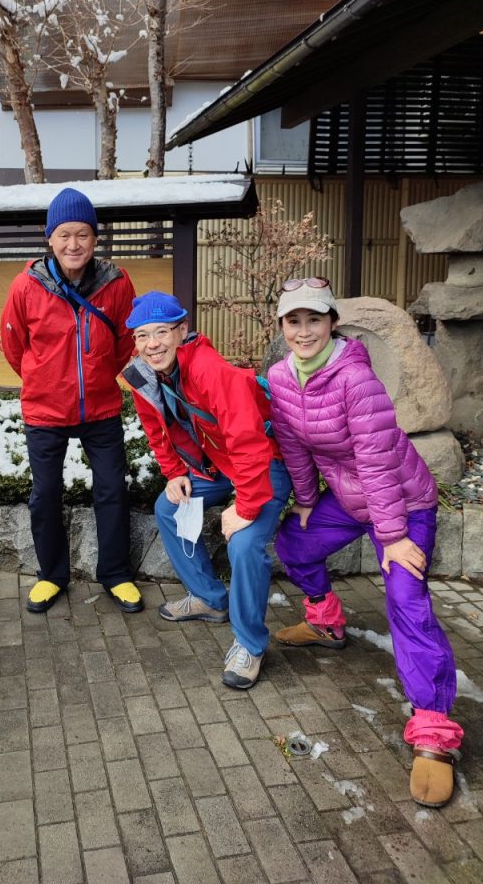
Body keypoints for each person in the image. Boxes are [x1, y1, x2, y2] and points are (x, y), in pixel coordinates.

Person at [267, 277, 463, 807]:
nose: (304, 330)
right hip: (350, 499)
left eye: (314, 319)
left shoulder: (355, 378)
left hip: (402, 500)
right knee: (295, 544)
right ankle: (326, 623)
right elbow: (293, 444)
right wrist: (306, 500)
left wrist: (394, 538)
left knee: (405, 600)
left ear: (332, 322)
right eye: (294, 321)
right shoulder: (280, 377)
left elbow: (377, 461)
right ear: (283, 326)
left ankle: (434, 732)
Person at [122, 290, 291, 689]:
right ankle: (210, 598)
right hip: (218, 464)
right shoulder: (142, 375)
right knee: (168, 506)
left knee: (244, 544)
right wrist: (174, 471)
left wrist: (245, 507)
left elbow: (249, 442)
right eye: (142, 335)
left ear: (182, 330)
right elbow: (155, 428)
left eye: (162, 331)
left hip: (264, 463)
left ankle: (250, 643)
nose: (152, 344)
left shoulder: (211, 370)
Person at [0, 187, 142, 614]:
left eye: (82, 234)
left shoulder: (116, 282)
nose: (73, 244)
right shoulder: (27, 284)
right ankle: (51, 575)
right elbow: (13, 344)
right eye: (64, 235)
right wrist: (44, 380)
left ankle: (116, 574)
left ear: (95, 239)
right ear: (50, 239)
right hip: (45, 412)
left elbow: (125, 339)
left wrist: (99, 374)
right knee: (45, 494)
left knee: (112, 490)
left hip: (100, 408)